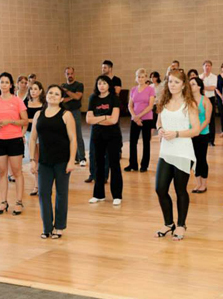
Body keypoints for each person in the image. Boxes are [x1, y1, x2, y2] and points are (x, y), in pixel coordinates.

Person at [154, 69, 200, 241]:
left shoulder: (190, 104)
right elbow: (159, 121)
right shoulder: (163, 101)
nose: (172, 85)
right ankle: (168, 223)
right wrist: (159, 130)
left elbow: (195, 130)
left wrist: (177, 134)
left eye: (176, 82)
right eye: (170, 81)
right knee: (160, 188)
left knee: (180, 190)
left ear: (183, 85)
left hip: (183, 151)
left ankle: (181, 225)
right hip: (166, 151)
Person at [30, 85, 77, 239]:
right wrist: (32, 160)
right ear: (46, 95)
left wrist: (71, 160)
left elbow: (73, 139)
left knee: (61, 194)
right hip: (44, 162)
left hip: (62, 161)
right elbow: (32, 138)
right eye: (50, 93)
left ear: (62, 99)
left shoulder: (66, 114)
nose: (53, 96)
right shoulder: (38, 114)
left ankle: (59, 226)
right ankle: (47, 227)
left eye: (57, 94)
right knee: (43, 193)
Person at [0, 72, 28, 216]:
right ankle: (3, 202)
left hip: (15, 139)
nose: (4, 84)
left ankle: (18, 202)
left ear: (11, 85)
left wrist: (11, 122)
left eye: (6, 82)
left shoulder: (17, 100)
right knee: (2, 173)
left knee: (17, 172)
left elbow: (25, 121)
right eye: (1, 82)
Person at [86, 75, 123, 205]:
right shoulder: (93, 98)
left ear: (109, 85)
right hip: (98, 136)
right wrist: (105, 117)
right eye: (99, 83)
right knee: (98, 164)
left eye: (104, 83)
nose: (101, 86)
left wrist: (98, 119)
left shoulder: (114, 98)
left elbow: (114, 120)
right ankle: (98, 194)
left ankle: (117, 195)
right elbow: (88, 119)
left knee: (114, 164)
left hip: (113, 136)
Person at [126, 68, 155, 172]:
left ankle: (144, 165)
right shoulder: (133, 89)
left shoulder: (150, 89)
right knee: (132, 142)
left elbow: (151, 106)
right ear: (136, 78)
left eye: (143, 77)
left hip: (147, 119)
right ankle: (132, 164)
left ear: (146, 78)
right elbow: (130, 105)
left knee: (146, 142)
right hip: (135, 119)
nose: (141, 79)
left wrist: (139, 116)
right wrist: (134, 116)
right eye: (139, 77)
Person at [189, 77, 212, 193]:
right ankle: (197, 183)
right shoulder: (187, 100)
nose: (190, 86)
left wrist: (197, 130)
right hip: (189, 134)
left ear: (199, 86)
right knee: (193, 159)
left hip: (202, 133)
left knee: (201, 158)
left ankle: (204, 184)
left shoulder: (205, 101)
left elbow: (207, 119)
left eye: (193, 84)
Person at [61, 67, 86, 166]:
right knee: (68, 135)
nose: (70, 75)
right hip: (65, 113)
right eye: (68, 74)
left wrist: (67, 93)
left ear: (74, 74)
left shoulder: (79, 85)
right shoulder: (62, 86)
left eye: (71, 73)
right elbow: (62, 100)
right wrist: (72, 96)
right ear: (65, 74)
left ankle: (82, 157)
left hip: (75, 112)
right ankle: (73, 157)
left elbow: (78, 97)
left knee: (78, 135)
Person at [25, 81, 45, 196]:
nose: (33, 91)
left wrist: (31, 120)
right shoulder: (25, 103)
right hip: (29, 134)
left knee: (43, 159)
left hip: (42, 134)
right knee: (34, 159)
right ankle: (36, 185)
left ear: (40, 91)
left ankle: (44, 185)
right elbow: (23, 119)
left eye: (36, 89)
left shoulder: (45, 104)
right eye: (31, 89)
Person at [200, 60, 217, 146]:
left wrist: (203, 87)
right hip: (202, 99)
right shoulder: (199, 77)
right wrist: (202, 80)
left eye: (209, 65)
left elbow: (213, 88)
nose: (207, 67)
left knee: (211, 119)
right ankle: (204, 138)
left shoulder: (214, 76)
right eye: (205, 65)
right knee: (202, 118)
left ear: (211, 67)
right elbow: (198, 88)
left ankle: (211, 140)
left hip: (211, 98)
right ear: (203, 67)